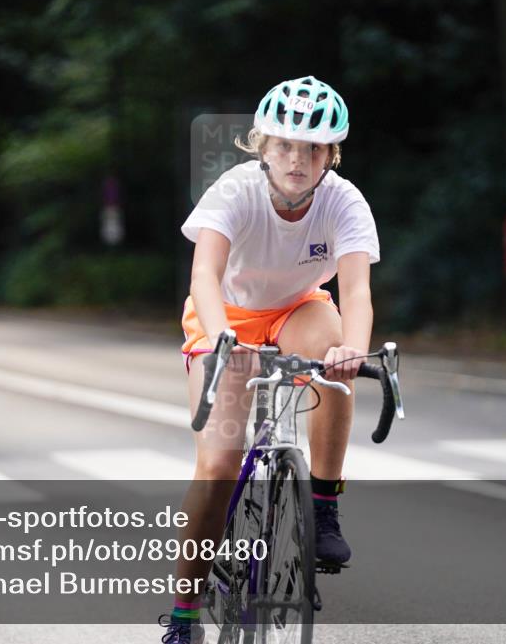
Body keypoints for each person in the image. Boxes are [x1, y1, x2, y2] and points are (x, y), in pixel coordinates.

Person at [160, 76, 379, 643]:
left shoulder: (343, 200)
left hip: (296, 311)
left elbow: (355, 292)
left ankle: (323, 502)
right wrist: (217, 338)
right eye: (285, 145)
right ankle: (184, 616)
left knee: (334, 351)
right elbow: (204, 275)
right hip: (225, 319)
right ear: (262, 145)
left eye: (313, 148)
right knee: (218, 468)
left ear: (331, 154)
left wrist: (352, 349)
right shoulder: (234, 192)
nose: (298, 159)